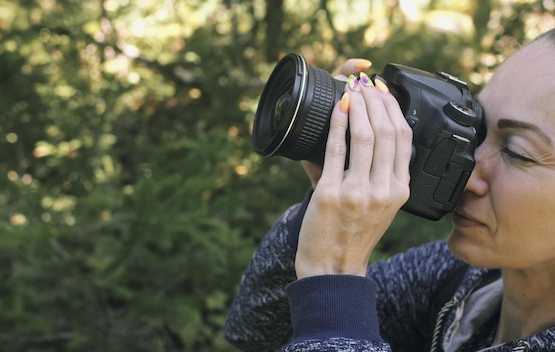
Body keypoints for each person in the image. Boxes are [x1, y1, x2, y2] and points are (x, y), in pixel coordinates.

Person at [224, 28, 555, 352]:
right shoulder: (462, 285)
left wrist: (335, 280)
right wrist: (334, 180)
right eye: (477, 132)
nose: (466, 175)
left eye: (517, 152)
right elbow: (258, 330)